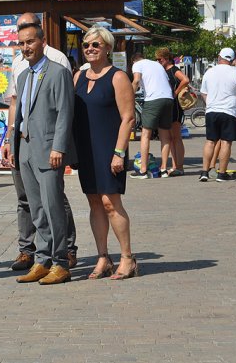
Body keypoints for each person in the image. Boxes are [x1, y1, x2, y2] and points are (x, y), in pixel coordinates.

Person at [0, 13, 78, 273]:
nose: (26, 48)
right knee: (36, 209)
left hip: (48, 150)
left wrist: (59, 146)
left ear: (42, 42)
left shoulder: (57, 71)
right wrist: (12, 143)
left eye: (30, 42)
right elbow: (19, 112)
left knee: (53, 205)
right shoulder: (23, 75)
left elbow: (65, 113)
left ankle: (60, 261)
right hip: (25, 149)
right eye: (21, 43)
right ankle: (42, 259)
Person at [73, 27, 139, 280]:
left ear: (107, 48)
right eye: (86, 45)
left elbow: (128, 118)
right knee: (94, 202)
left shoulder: (118, 77)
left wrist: (119, 152)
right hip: (86, 150)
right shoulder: (78, 76)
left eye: (96, 45)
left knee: (111, 203)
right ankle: (103, 257)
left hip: (109, 149)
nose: (90, 48)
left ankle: (127, 258)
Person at [199, 48, 236, 182]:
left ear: (218, 57)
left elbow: (203, 93)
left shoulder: (209, 72)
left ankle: (204, 172)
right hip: (229, 111)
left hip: (212, 111)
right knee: (226, 143)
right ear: (233, 60)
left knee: (210, 141)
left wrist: (210, 102)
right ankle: (221, 174)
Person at [130, 51, 174, 179]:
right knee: (165, 135)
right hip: (168, 98)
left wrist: (129, 97)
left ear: (134, 61)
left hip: (153, 100)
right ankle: (164, 169)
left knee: (145, 134)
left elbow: (136, 80)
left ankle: (143, 170)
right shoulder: (157, 65)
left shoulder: (137, 64)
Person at [156, 47, 190, 177]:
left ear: (167, 58)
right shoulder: (163, 71)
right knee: (170, 138)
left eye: (160, 59)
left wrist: (175, 93)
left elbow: (185, 80)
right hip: (169, 106)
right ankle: (175, 165)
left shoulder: (173, 70)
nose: (158, 62)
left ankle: (179, 166)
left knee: (176, 137)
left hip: (175, 106)